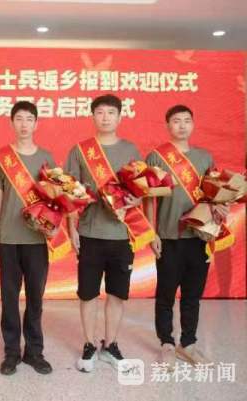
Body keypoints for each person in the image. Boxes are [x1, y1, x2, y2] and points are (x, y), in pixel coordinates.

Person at [65, 94, 147, 373]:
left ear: (120, 117)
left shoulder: (131, 149)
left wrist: (137, 200)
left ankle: (110, 344)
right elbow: (69, 194)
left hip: (122, 234)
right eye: (100, 113)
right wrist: (72, 231)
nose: (105, 118)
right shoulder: (80, 150)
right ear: (93, 117)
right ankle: (89, 344)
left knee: (117, 294)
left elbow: (141, 190)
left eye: (111, 113)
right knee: (88, 293)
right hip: (90, 233)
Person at [145, 105, 229, 368]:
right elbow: (148, 199)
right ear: (167, 125)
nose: (182, 125)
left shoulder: (204, 158)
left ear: (193, 124)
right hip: (169, 236)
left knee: (193, 294)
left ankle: (188, 344)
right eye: (176, 121)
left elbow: (214, 194)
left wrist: (221, 207)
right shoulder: (157, 157)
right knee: (166, 294)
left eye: (186, 120)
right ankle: (167, 344)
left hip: (199, 236)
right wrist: (151, 232)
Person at [0, 101, 55, 375]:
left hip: (36, 239)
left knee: (35, 298)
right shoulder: (1, 157)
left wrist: (52, 228)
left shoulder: (46, 157)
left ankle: (34, 351)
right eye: (19, 119)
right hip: (8, 237)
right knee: (9, 298)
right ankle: (11, 352)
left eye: (29, 119)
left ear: (36, 123)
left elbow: (54, 199)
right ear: (11, 123)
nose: (24, 124)